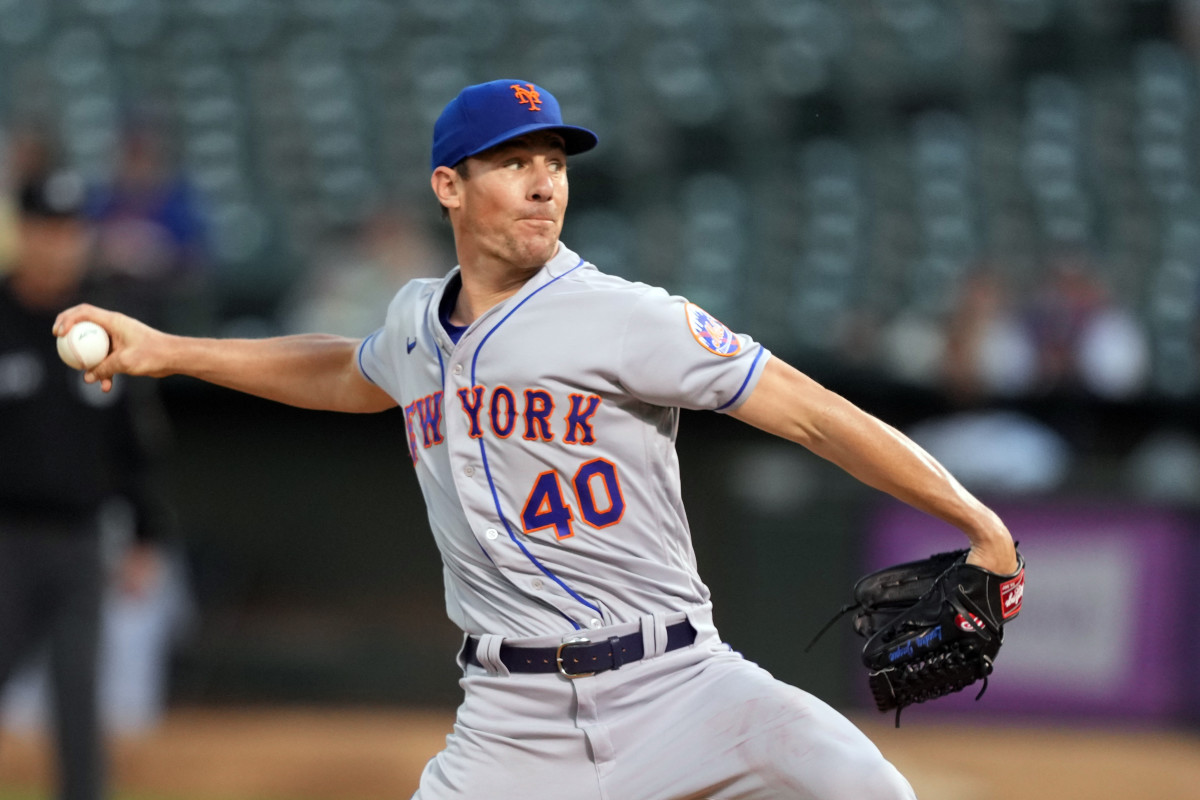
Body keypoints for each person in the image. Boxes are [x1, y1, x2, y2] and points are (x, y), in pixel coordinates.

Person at [56, 80, 1020, 800]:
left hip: (680, 683)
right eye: (515, 162)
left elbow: (813, 410)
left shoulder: (626, 316)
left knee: (873, 790)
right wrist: (167, 350)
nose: (543, 183)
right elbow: (348, 371)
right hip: (509, 723)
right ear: (450, 185)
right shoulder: (414, 325)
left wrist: (975, 519)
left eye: (554, 163)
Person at [0, 168, 172, 800]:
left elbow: (132, 446)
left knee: (79, 698)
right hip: (5, 540)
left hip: (79, 541)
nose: (58, 244)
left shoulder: (106, 327)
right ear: (24, 232)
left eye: (70, 230)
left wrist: (146, 535)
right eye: (47, 228)